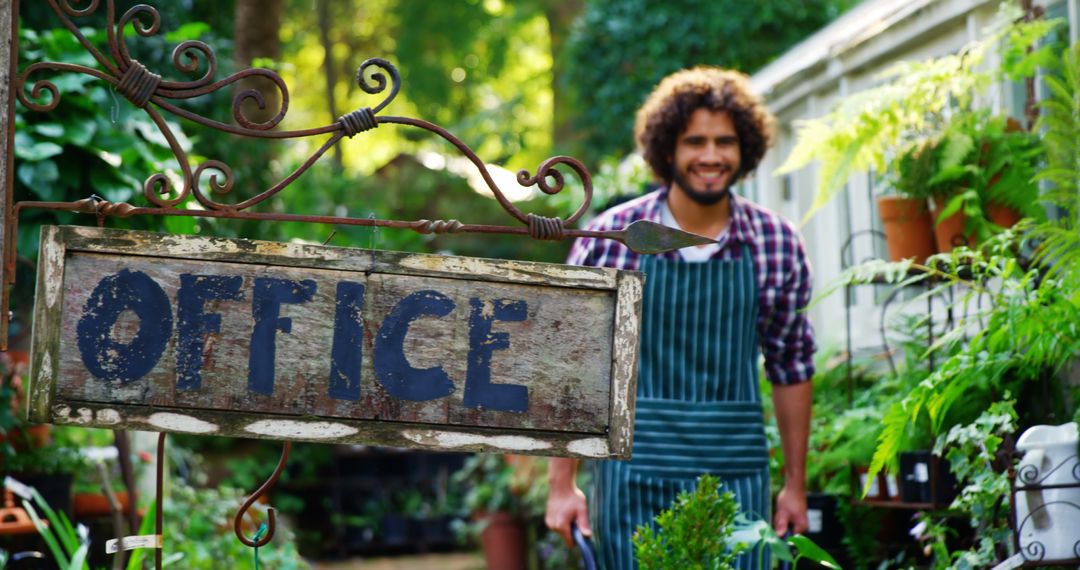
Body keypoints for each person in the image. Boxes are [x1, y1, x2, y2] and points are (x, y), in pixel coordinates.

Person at [545, 67, 815, 569]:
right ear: (667, 148)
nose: (710, 156)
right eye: (695, 141)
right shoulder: (615, 239)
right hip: (632, 477)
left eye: (724, 142)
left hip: (736, 479)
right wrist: (563, 485)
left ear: (745, 150)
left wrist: (795, 486)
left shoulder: (774, 243)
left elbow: (792, 367)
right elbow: (573, 364)